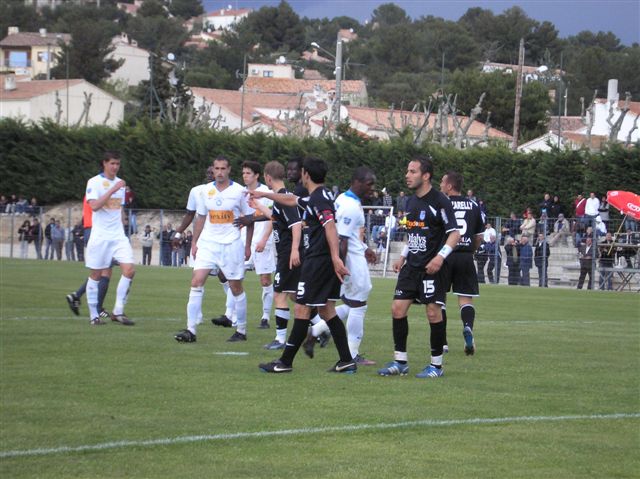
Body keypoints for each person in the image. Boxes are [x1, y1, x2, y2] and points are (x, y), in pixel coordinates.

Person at [252, 157, 354, 374]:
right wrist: (264, 195)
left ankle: (285, 362)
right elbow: (291, 200)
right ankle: (346, 360)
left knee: (301, 308)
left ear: (306, 174)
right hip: (320, 260)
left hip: (318, 261)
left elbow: (330, 227)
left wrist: (335, 258)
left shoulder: (319, 199)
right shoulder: (319, 196)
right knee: (327, 310)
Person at [377, 156, 460, 379]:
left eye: (413, 171)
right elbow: (414, 234)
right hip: (411, 267)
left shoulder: (440, 201)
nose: (407, 175)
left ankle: (436, 366)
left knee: (433, 313)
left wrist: (440, 258)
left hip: (433, 268)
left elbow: (455, 233)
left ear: (426, 176)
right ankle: (400, 361)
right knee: (397, 309)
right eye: (407, 171)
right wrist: (403, 256)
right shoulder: (410, 202)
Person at [302, 166, 378, 365]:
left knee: (353, 304)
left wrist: (364, 247)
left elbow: (348, 234)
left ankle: (316, 330)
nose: (372, 189)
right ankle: (352, 355)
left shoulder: (345, 200)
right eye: (369, 184)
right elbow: (341, 238)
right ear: (357, 181)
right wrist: (339, 267)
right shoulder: (351, 207)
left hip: (352, 257)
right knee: (359, 305)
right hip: (351, 263)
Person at [174, 156, 254, 344]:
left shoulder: (240, 192)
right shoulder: (206, 191)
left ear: (229, 170)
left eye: (223, 168)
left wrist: (248, 245)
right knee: (196, 281)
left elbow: (250, 220)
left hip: (231, 245)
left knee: (236, 288)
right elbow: (200, 217)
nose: (219, 172)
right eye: (216, 168)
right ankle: (190, 330)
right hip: (208, 244)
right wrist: (195, 242)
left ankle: (241, 330)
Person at [249, 161, 302, 350]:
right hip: (286, 253)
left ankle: (280, 340)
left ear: (267, 178)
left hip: (288, 254)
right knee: (297, 296)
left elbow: (296, 225)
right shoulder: (281, 199)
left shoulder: (284, 198)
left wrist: (295, 250)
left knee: (279, 295)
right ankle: (321, 327)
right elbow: (274, 217)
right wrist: (256, 204)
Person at [82, 151, 135, 326]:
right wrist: (113, 189)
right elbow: (95, 206)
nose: (115, 167)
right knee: (96, 274)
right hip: (100, 236)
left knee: (129, 270)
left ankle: (118, 311)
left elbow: (119, 208)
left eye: (117, 164)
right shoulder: (94, 182)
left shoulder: (120, 184)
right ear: (104, 163)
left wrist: (124, 224)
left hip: (118, 236)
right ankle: (93, 315)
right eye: (112, 163)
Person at [439, 170, 484, 356]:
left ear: (450, 186)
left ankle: (442, 342)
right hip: (465, 256)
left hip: (445, 255)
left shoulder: (442, 204)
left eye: (442, 182)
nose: (440, 185)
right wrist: (470, 251)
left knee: (438, 299)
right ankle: (468, 328)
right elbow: (479, 236)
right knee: (465, 298)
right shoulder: (474, 206)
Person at [240, 160, 276, 329]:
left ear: (256, 175)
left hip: (263, 242)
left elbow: (272, 218)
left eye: (248, 173)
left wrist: (263, 239)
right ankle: (231, 315)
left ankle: (265, 317)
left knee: (265, 279)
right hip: (244, 242)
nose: (245, 176)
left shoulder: (266, 193)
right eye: (243, 173)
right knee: (233, 276)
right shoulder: (240, 193)